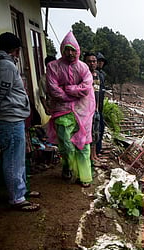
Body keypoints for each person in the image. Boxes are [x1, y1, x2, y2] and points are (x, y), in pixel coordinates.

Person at [46, 31, 95, 187]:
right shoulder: (53, 67)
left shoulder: (83, 67)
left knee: (83, 144)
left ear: (78, 51)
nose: (70, 53)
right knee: (66, 145)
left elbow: (86, 88)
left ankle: (84, 177)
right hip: (62, 111)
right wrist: (73, 94)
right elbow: (53, 90)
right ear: (62, 50)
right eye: (67, 49)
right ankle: (68, 167)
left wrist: (68, 89)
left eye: (73, 50)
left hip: (83, 112)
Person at [0, 32, 40, 211]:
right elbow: (1, 91)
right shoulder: (6, 65)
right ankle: (17, 198)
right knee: (13, 159)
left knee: (18, 157)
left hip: (13, 118)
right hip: (10, 118)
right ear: (15, 51)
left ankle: (21, 190)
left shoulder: (4, 64)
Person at [83, 52, 104, 164]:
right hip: (87, 111)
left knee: (96, 133)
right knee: (89, 134)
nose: (92, 63)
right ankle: (90, 156)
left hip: (96, 110)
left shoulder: (98, 75)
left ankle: (95, 154)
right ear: (85, 62)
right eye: (89, 61)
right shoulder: (84, 75)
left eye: (94, 61)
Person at [95, 52, 107, 155]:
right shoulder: (94, 74)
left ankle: (99, 149)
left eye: (102, 61)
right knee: (96, 129)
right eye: (99, 61)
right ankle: (96, 151)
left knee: (101, 128)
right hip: (95, 107)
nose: (100, 63)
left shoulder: (102, 74)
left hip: (100, 107)